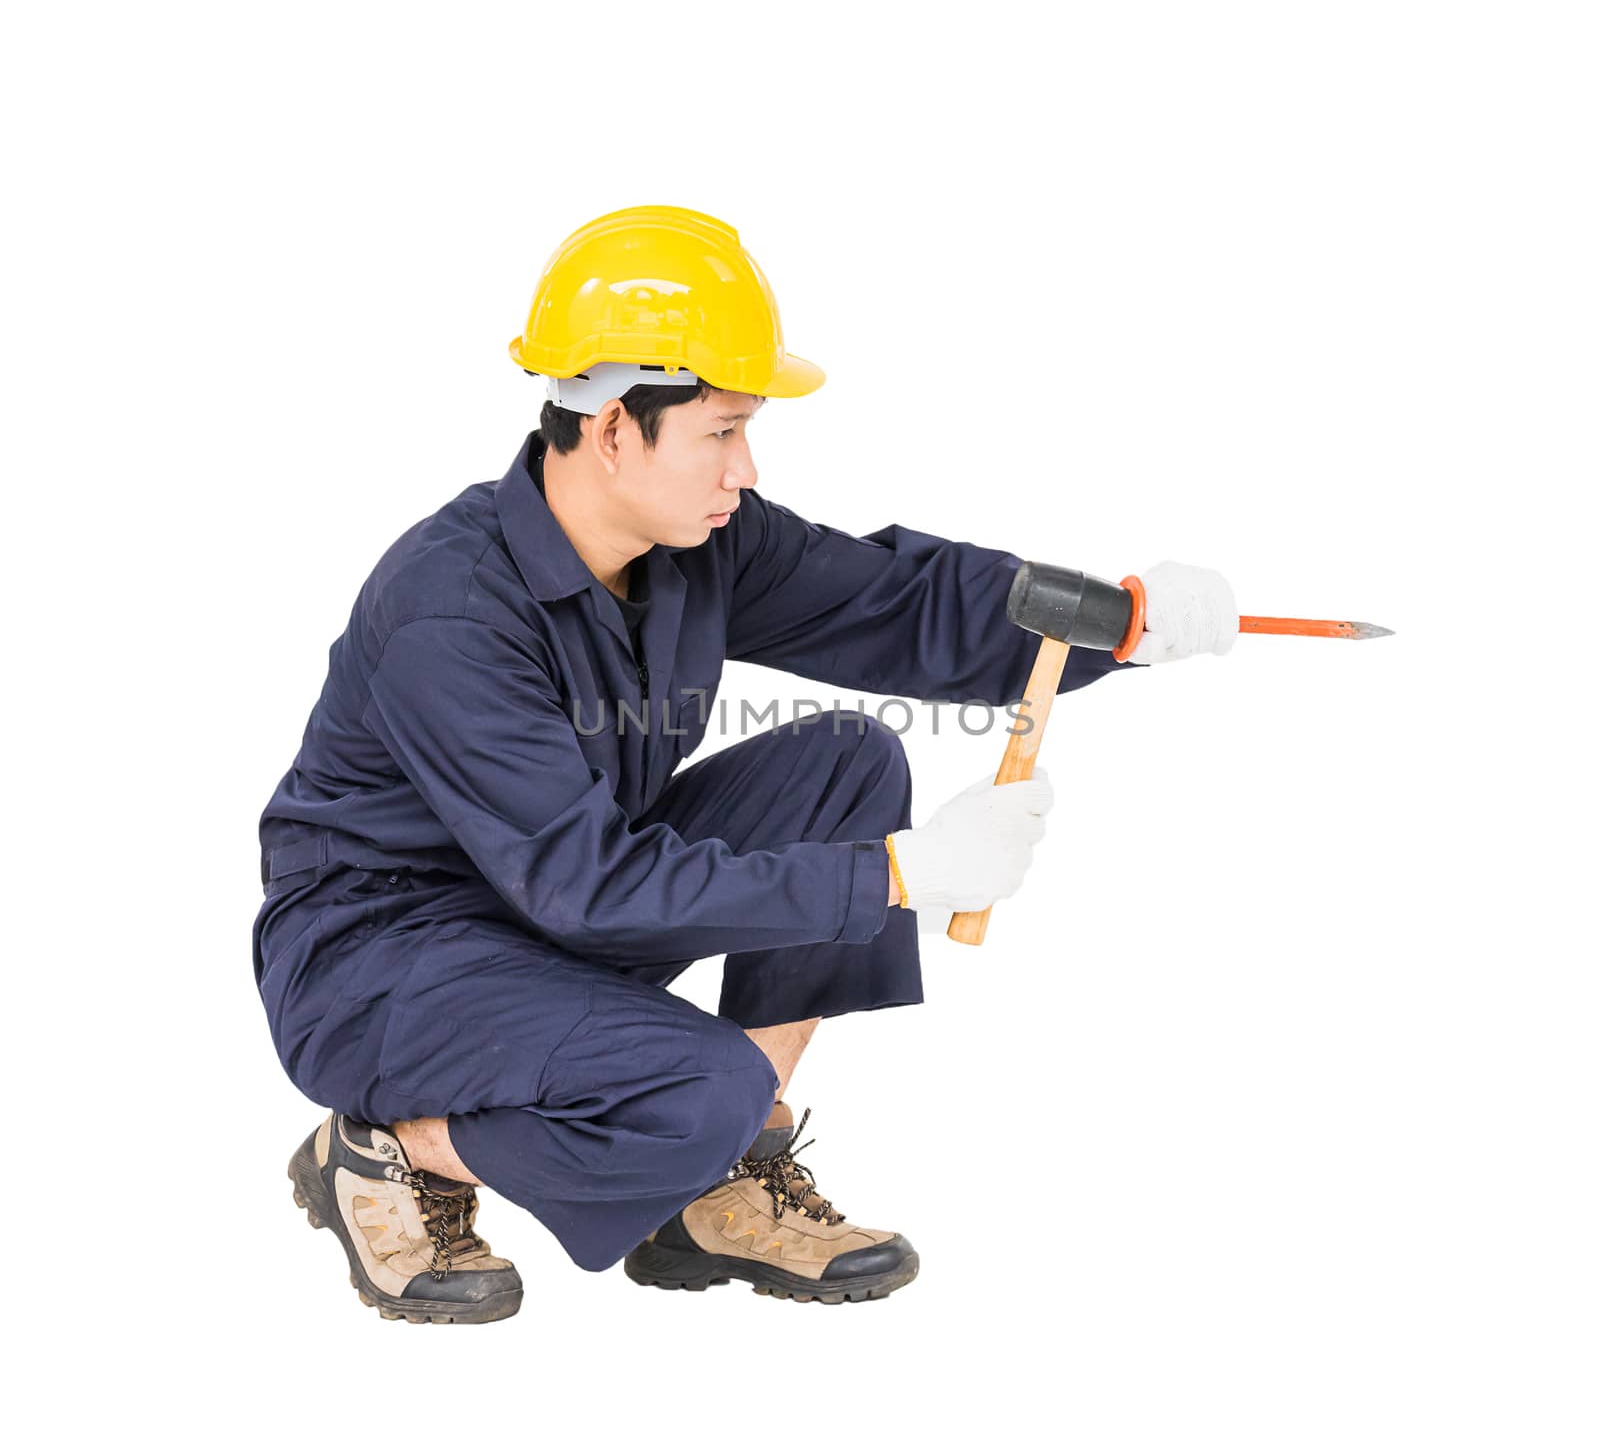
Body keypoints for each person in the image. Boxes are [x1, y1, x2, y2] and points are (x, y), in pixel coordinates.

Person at [254, 204, 1239, 1323]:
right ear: (615, 425)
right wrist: (896, 876)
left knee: (844, 767)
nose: (745, 464)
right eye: (720, 431)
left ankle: (717, 1178)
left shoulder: (701, 542)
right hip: (385, 963)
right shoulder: (451, 608)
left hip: (543, 915)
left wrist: (1119, 622)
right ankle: (394, 1148)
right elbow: (585, 882)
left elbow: (895, 601)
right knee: (708, 1080)